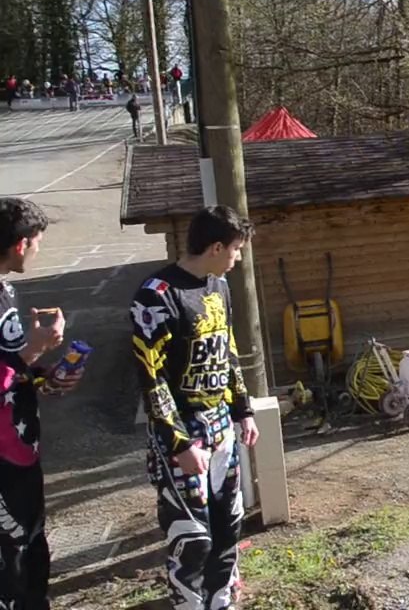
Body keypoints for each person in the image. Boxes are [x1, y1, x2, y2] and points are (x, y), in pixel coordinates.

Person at [130, 205, 259, 610]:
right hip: (182, 433)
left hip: (221, 426)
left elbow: (228, 350)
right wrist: (178, 442)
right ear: (217, 246)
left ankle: (223, 601)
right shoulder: (156, 296)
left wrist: (243, 409)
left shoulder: (217, 286)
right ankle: (188, 604)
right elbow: (151, 377)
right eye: (236, 250)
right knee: (192, 536)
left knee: (228, 525)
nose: (238, 259)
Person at [0, 198, 85, 610]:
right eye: (37, 241)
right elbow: (11, 364)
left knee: (32, 553)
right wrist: (29, 355)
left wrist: (48, 378)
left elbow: (11, 372)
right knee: (11, 564)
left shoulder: (5, 289)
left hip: (20, 451)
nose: (38, 250)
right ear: (21, 244)